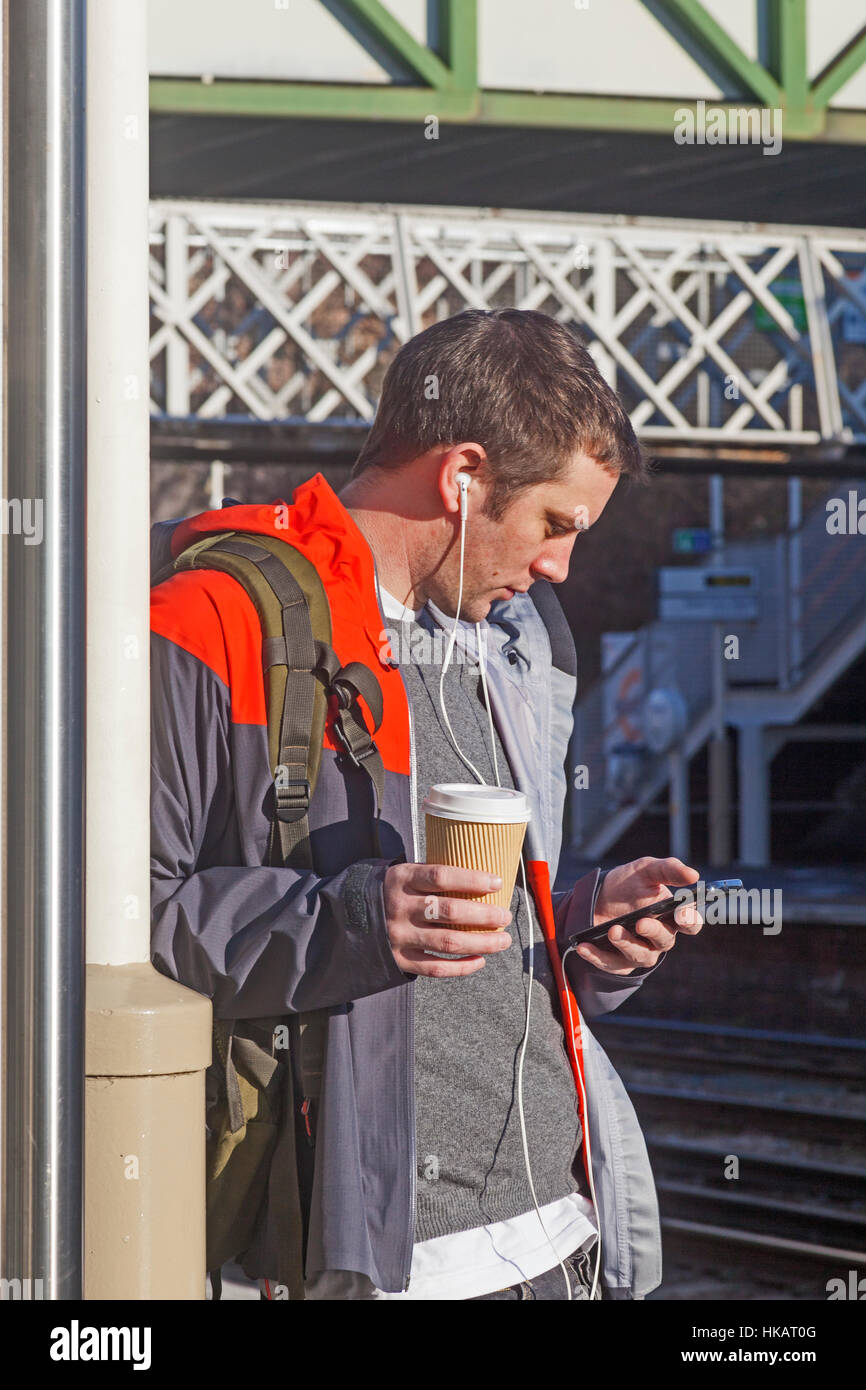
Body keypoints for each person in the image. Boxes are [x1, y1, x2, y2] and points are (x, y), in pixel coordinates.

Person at [150, 308, 702, 1302]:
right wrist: (355, 918)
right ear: (460, 477)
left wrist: (580, 926)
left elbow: (469, 944)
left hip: (557, 1237)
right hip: (384, 1262)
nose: (556, 567)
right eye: (553, 523)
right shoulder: (212, 619)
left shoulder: (515, 649)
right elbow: (120, 922)